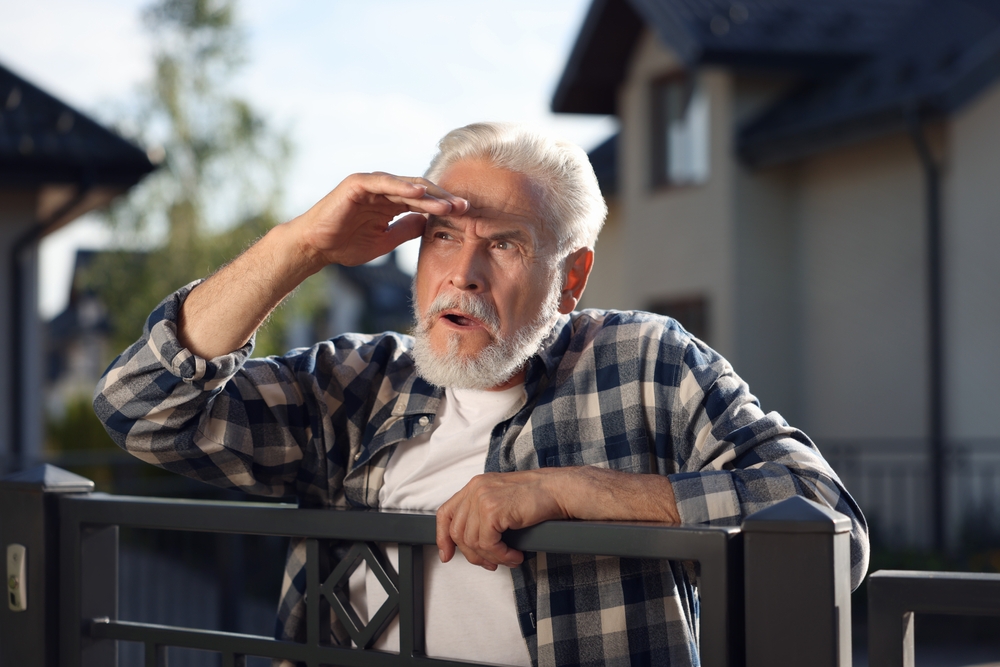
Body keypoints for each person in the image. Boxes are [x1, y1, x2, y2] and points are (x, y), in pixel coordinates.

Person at [94, 122, 868, 667]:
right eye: (442, 237)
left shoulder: (645, 362)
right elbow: (142, 406)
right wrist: (301, 245)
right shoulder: (359, 382)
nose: (462, 274)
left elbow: (827, 521)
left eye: (502, 243)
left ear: (570, 279)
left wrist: (565, 492)